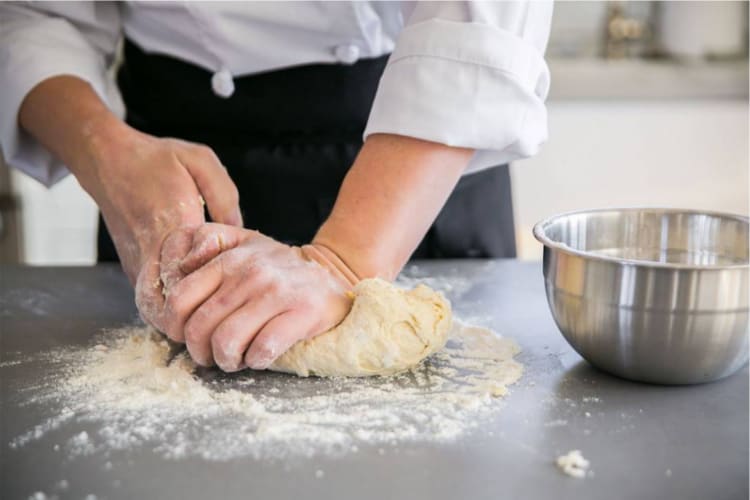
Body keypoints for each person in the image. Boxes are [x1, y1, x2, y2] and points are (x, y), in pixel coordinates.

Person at [0, 1, 552, 372]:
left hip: (416, 148)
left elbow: (482, 19)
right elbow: (33, 15)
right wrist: (108, 154)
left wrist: (341, 262)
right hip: (166, 171)